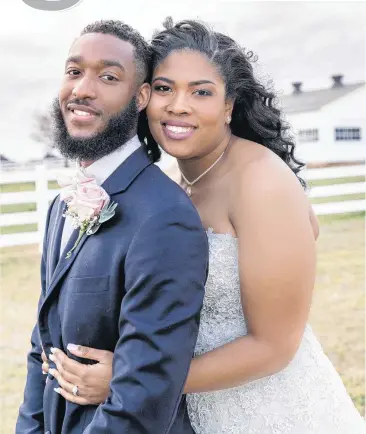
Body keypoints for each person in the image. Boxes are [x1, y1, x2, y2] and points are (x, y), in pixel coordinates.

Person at [40, 19, 366, 433]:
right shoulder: (171, 188)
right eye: (164, 88)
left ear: (229, 105)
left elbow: (275, 347)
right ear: (142, 98)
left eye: (201, 92)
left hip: (269, 409)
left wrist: (130, 381)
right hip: (189, 413)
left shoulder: (261, 181)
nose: (178, 105)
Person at [16, 20, 209, 434]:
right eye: (74, 71)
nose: (83, 89)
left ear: (140, 97)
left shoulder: (165, 217)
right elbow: (43, 346)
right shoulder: (60, 204)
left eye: (108, 76)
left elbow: (143, 393)